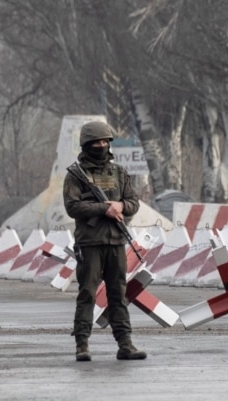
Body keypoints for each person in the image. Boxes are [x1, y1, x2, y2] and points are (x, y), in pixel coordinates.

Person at [62, 121, 147, 361]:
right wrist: (103, 209)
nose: (101, 146)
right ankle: (82, 344)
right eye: (97, 142)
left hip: (116, 241)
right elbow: (73, 206)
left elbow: (133, 202)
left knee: (118, 295)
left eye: (105, 142)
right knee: (87, 293)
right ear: (87, 145)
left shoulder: (119, 172)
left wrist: (120, 206)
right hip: (90, 243)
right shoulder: (76, 175)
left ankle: (125, 344)